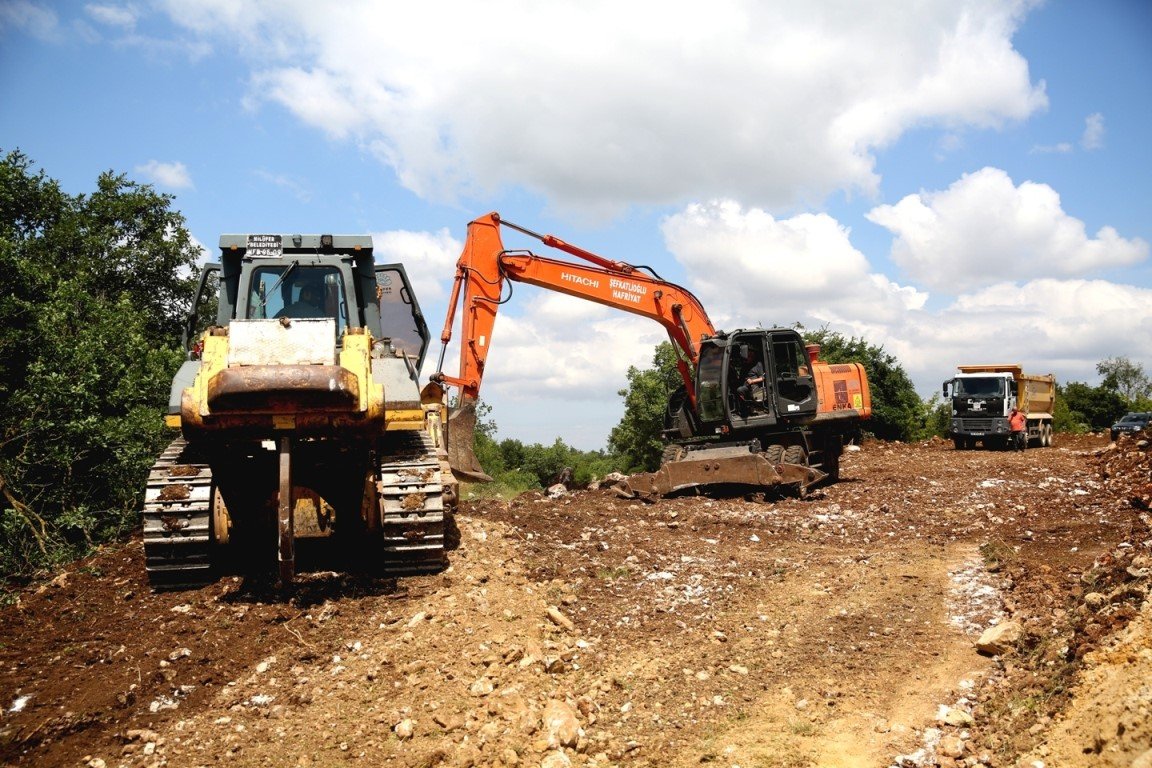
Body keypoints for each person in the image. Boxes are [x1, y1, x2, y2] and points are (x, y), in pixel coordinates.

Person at [735, 345, 765, 416]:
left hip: (754, 387)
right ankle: (742, 409)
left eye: (749, 357)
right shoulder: (745, 365)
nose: (747, 359)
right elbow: (741, 377)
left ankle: (748, 408)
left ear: (752, 356)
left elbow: (762, 378)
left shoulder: (758, 364)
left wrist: (752, 381)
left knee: (740, 390)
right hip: (745, 385)